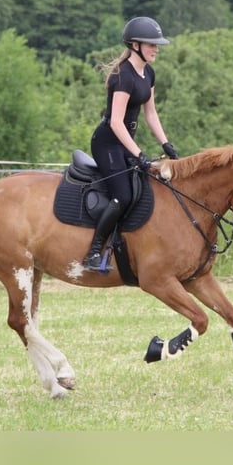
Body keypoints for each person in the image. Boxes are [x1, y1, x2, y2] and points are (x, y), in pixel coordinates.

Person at [82, 16, 179, 273]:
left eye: (157, 45)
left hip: (125, 144)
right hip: (107, 144)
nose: (156, 48)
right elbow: (115, 122)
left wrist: (166, 144)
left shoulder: (148, 72)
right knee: (123, 195)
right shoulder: (122, 76)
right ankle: (93, 252)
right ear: (135, 45)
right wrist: (139, 154)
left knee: (146, 187)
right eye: (151, 44)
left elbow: (151, 114)